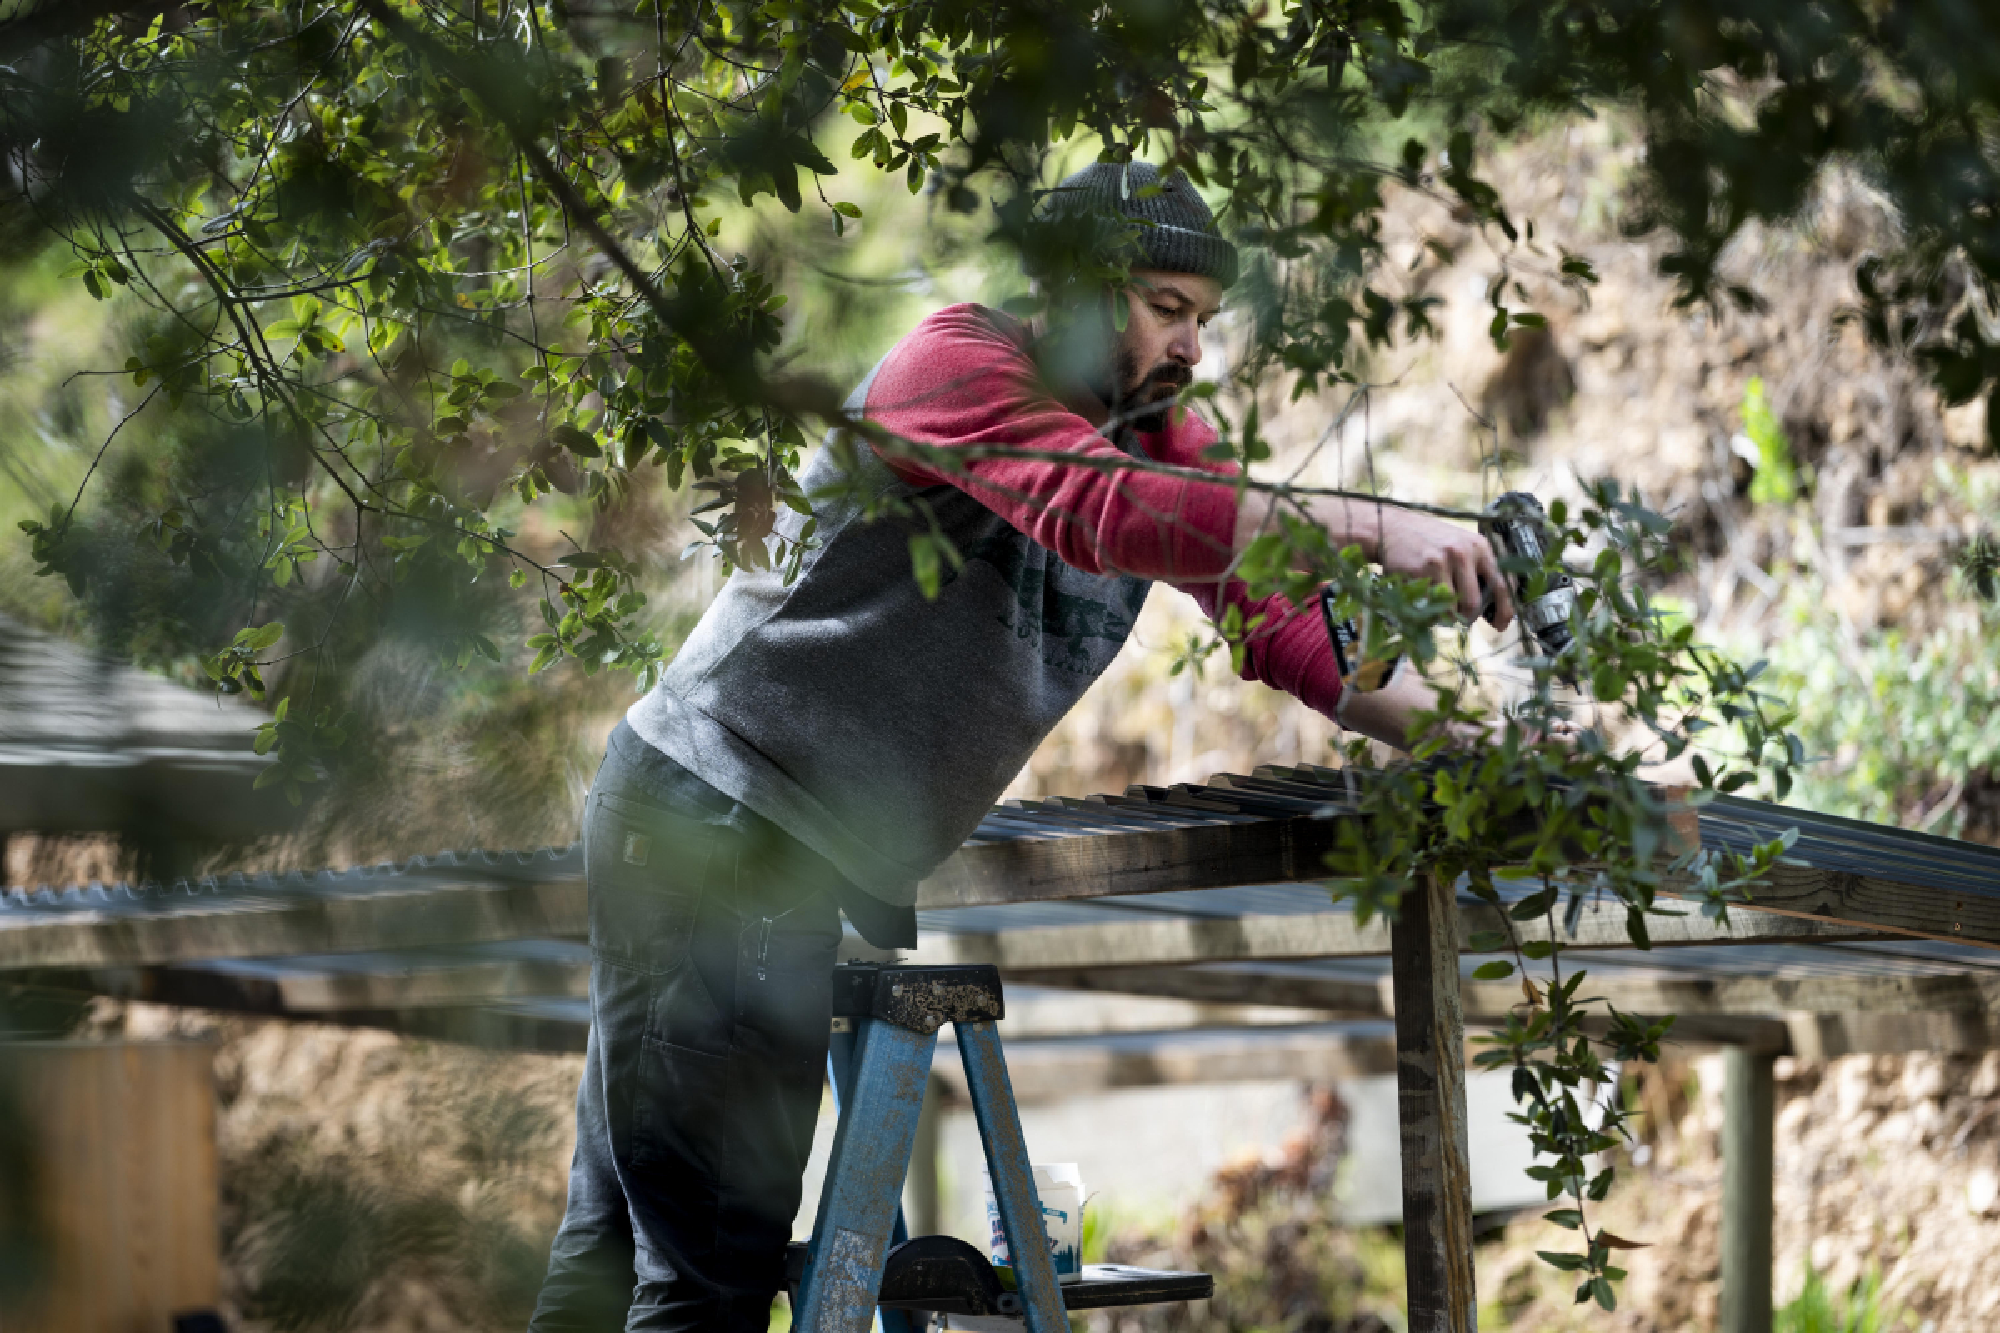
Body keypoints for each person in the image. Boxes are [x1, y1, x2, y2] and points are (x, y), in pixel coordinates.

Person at [529, 160, 1515, 1331]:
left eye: (1201, 321)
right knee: (701, 1279)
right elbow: (1099, 514)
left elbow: (1279, 616)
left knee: (619, 1262)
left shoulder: (1156, 440)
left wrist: (1489, 751)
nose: (1190, 350)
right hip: (718, 818)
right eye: (1164, 307)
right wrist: (1376, 524)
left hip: (749, 838)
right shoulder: (960, 365)